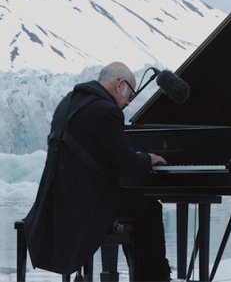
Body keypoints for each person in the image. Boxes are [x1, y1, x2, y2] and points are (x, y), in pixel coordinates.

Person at [23, 62, 172, 281]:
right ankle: (153, 277)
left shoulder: (68, 102)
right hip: (84, 204)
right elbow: (126, 164)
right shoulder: (107, 111)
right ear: (119, 85)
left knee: (134, 203)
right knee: (148, 208)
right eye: (129, 95)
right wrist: (148, 159)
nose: (127, 102)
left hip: (57, 199)